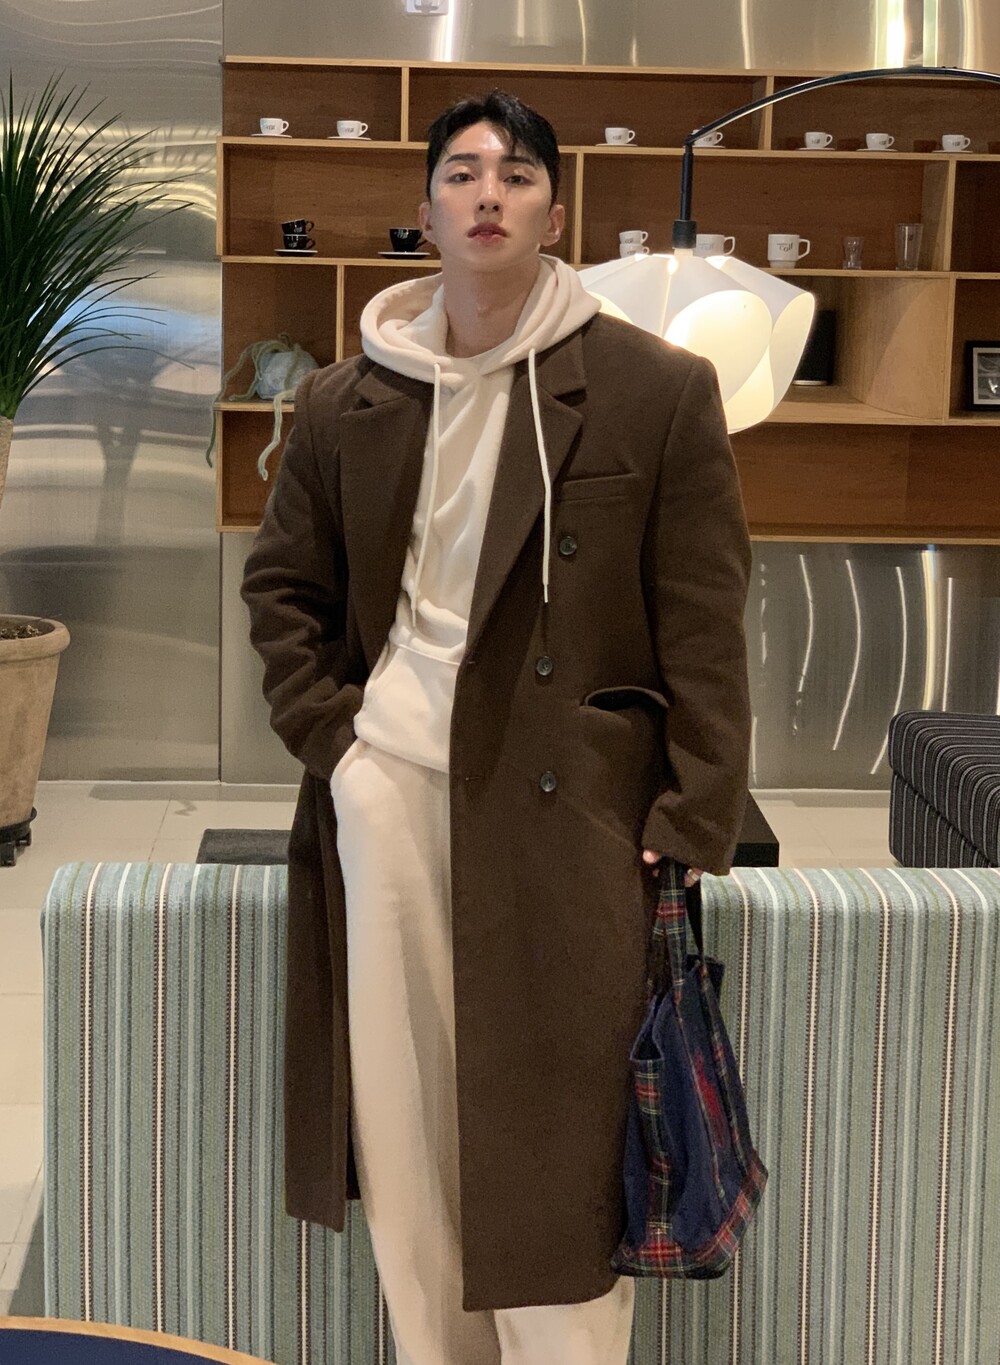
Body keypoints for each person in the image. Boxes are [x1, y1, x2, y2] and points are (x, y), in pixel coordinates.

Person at [241, 88, 751, 1365]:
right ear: (423, 213)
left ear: (554, 214)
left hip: (569, 803)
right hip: (390, 787)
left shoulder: (653, 389)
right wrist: (339, 746)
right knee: (407, 1108)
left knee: (555, 1122)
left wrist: (693, 808)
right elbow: (283, 592)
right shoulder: (345, 401)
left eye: (516, 175)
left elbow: (702, 616)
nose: (487, 194)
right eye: (461, 173)